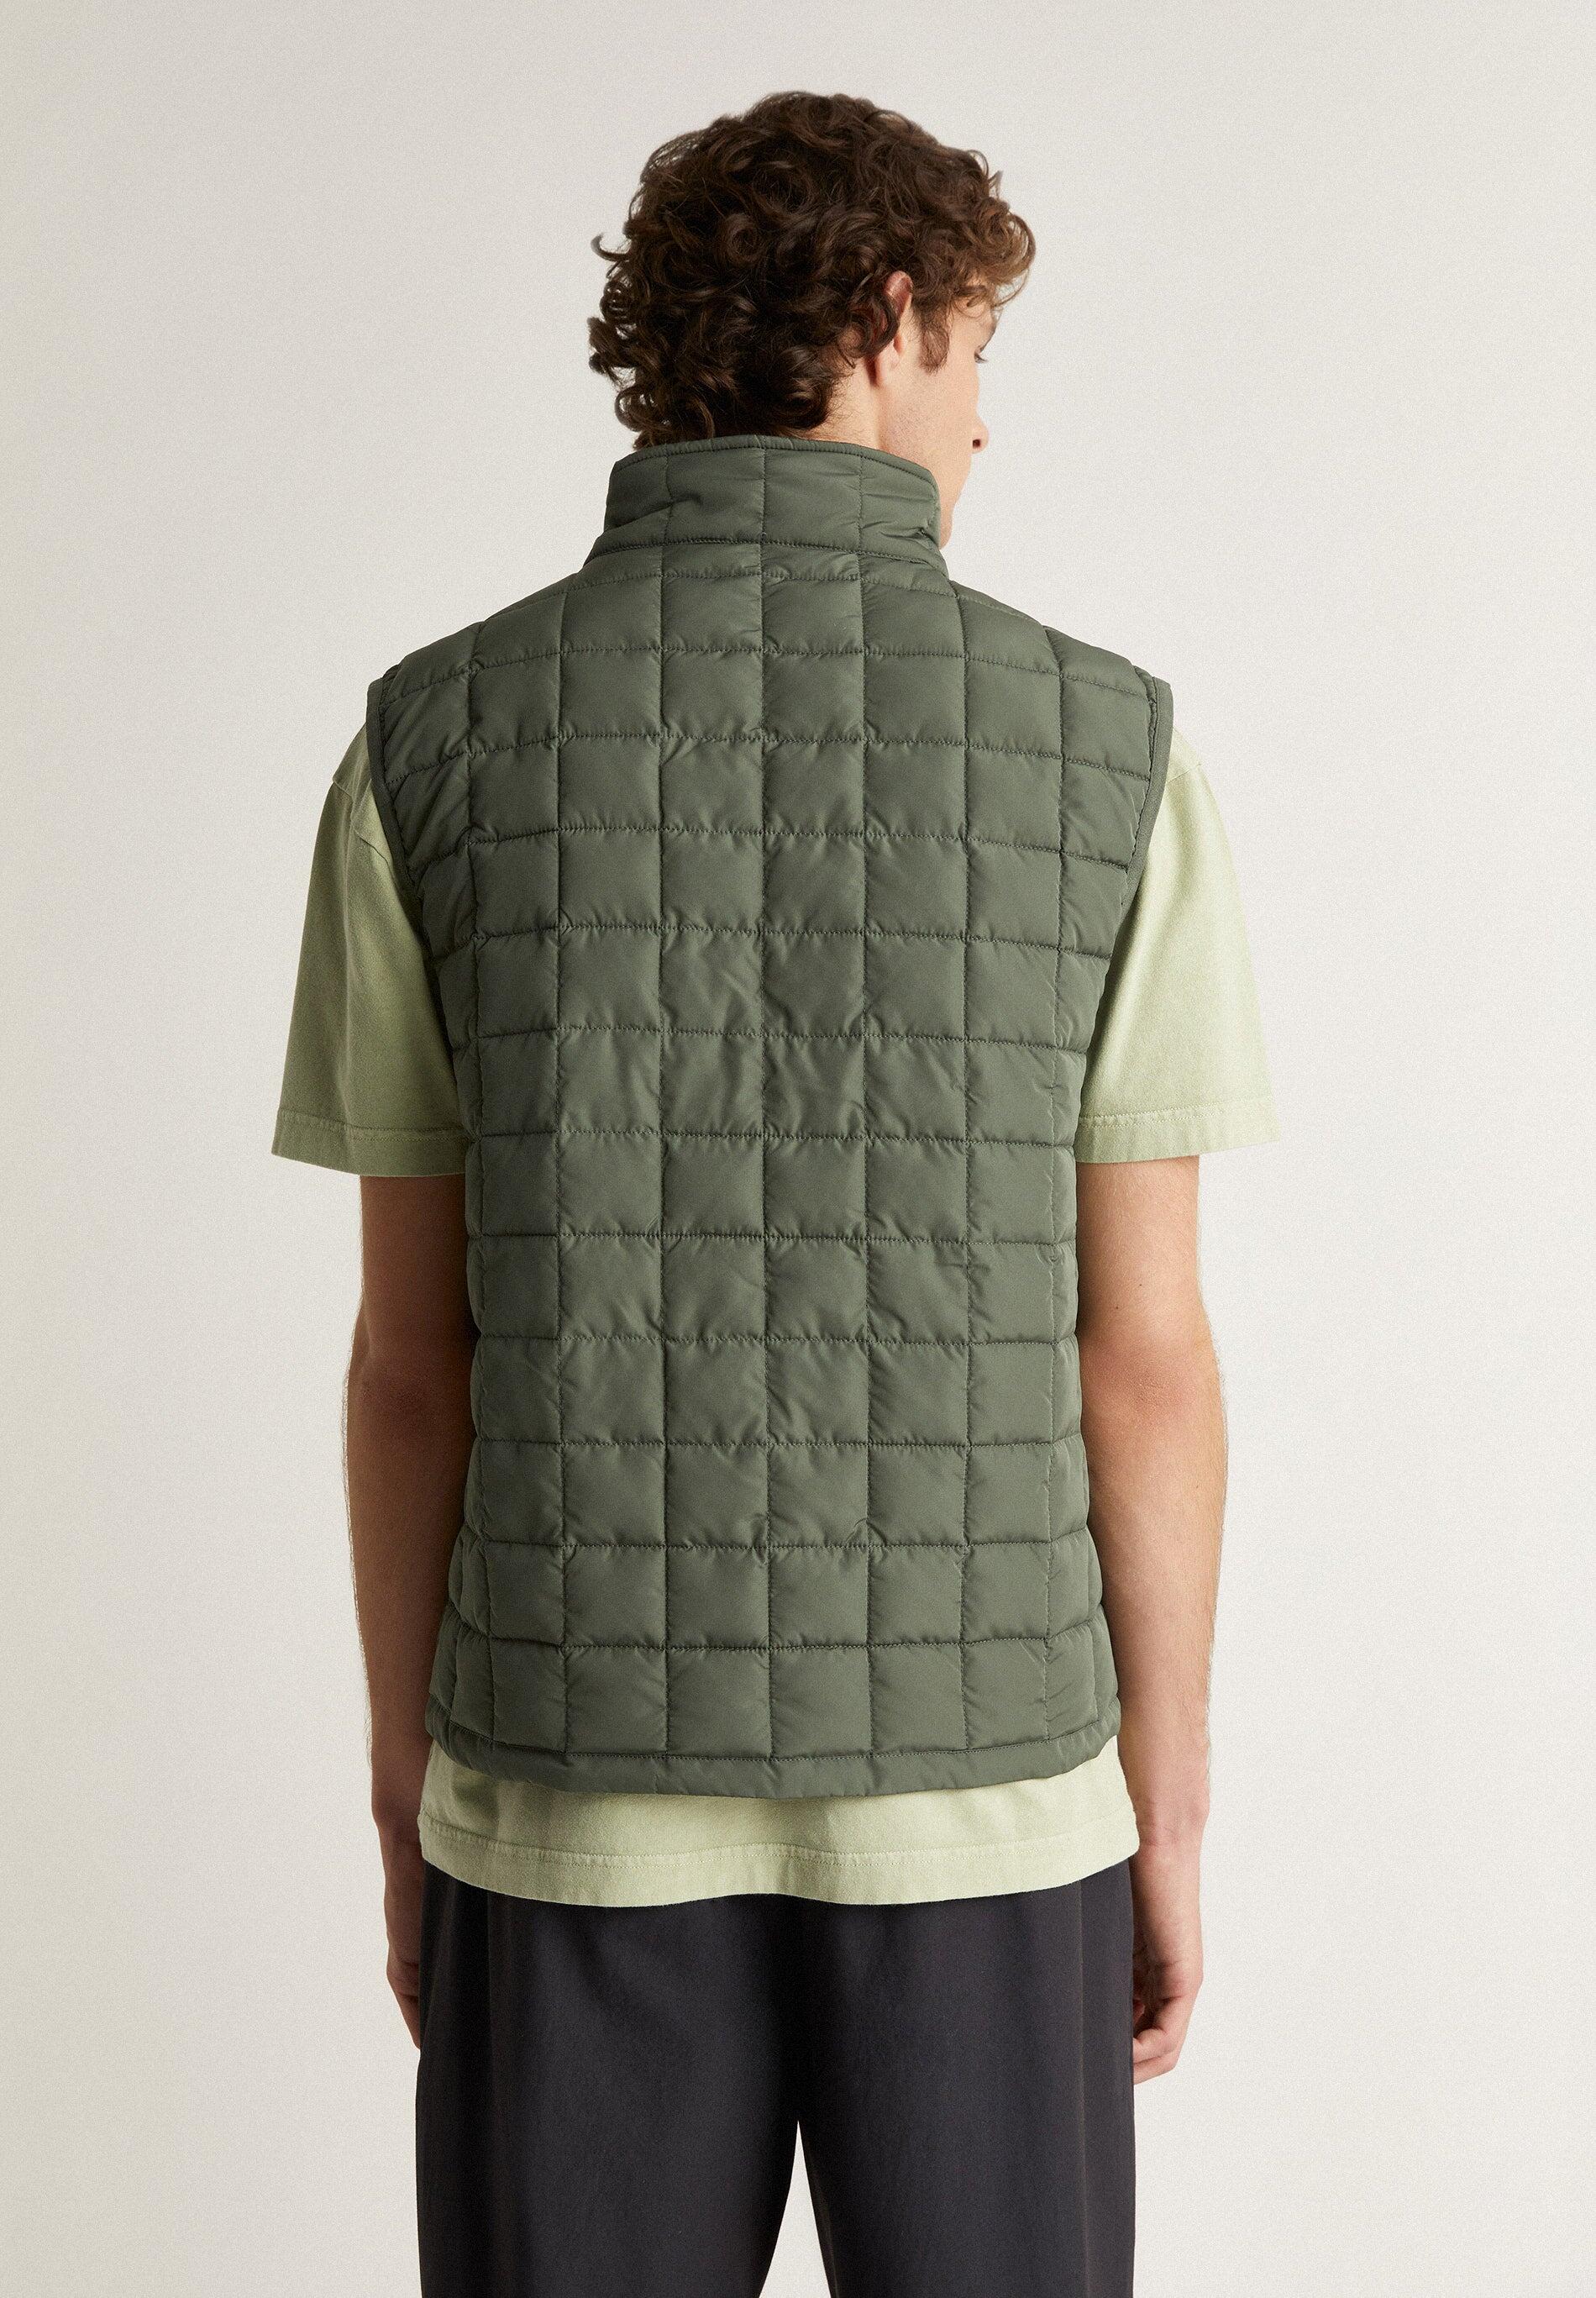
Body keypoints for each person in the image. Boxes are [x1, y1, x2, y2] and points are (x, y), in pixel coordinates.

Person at [274, 89, 1276, 2298]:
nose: (984, 420)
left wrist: (405, 1791)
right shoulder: (1110, 749)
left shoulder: (428, 741)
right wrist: (1168, 1802)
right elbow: (1142, 1357)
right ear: (891, 319)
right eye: (979, 352)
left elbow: (411, 1362)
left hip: (562, 1798)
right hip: (991, 1804)